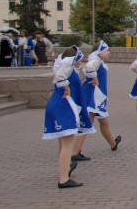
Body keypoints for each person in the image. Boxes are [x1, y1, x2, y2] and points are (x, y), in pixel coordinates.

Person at [70, 41, 122, 163]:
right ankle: (75, 152)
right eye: (106, 50)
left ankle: (113, 144)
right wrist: (94, 79)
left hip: (98, 95)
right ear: (100, 52)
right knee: (87, 123)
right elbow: (88, 67)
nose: (108, 52)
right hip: (93, 95)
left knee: (103, 121)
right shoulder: (96, 61)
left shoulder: (98, 61)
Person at [43, 47, 85, 188]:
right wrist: (66, 88)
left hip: (56, 104)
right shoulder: (67, 67)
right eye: (79, 59)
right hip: (63, 106)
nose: (81, 62)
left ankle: (65, 170)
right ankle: (63, 179)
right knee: (67, 144)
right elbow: (59, 76)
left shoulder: (65, 66)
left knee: (62, 143)